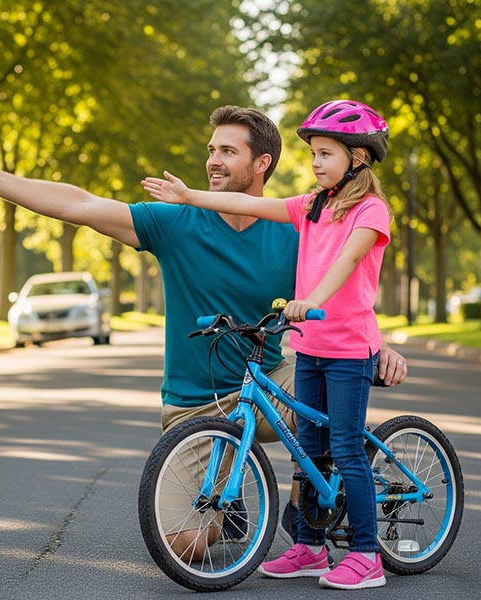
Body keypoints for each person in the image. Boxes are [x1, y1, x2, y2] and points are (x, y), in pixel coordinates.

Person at [0, 104, 407, 562]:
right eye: (211, 149)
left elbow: (343, 284)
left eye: (227, 151)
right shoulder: (175, 222)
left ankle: (309, 509)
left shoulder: (298, 228)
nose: (212, 160)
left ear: (262, 163)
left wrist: (377, 345)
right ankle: (226, 501)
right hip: (195, 405)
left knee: (325, 393)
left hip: (269, 382)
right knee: (186, 545)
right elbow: (81, 204)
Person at [142, 99, 394, 590]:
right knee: (312, 447)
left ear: (358, 158)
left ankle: (367, 555)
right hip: (313, 346)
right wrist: (189, 196)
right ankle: (310, 548)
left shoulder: (371, 210)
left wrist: (311, 300)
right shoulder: (311, 206)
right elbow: (251, 205)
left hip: (347, 348)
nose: (315, 163)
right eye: (313, 154)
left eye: (325, 154)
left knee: (344, 446)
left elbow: (347, 262)